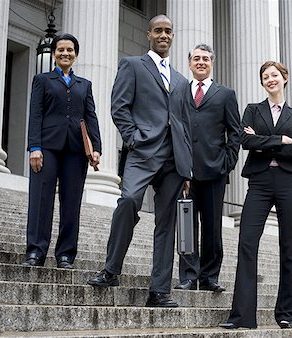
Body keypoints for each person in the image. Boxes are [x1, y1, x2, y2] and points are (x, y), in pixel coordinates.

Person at [87, 15, 192, 308]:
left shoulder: (181, 80)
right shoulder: (132, 65)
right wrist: (133, 138)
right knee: (129, 200)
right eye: (158, 30)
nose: (163, 35)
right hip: (142, 152)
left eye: (168, 31)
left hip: (174, 160)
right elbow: (119, 106)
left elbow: (184, 124)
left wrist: (187, 168)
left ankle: (159, 291)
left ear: (173, 36)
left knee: (166, 224)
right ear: (149, 34)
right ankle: (111, 270)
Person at [219, 61, 292, 329]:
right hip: (259, 182)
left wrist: (263, 141)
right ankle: (243, 316)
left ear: (284, 79)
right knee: (247, 242)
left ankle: (288, 315)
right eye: (265, 76)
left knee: (289, 245)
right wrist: (280, 140)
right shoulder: (252, 110)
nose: (270, 79)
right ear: (262, 83)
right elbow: (245, 142)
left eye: (274, 75)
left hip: (289, 182)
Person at [23, 33, 101, 269]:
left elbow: (91, 116)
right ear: (54, 53)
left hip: (75, 151)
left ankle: (66, 254)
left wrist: (96, 147)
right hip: (46, 148)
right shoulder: (42, 80)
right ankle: (36, 251)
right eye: (60, 50)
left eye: (69, 50)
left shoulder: (84, 85)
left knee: (71, 203)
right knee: (40, 200)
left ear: (75, 54)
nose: (65, 53)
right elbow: (35, 114)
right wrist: (34, 147)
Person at [174, 44, 240, 293]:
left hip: (214, 172)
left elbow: (235, 133)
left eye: (205, 59)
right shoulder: (179, 92)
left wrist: (227, 163)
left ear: (212, 63)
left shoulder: (226, 94)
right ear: (190, 63)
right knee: (186, 224)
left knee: (212, 227)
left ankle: (210, 276)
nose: (201, 62)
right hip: (184, 171)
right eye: (196, 58)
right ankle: (189, 276)